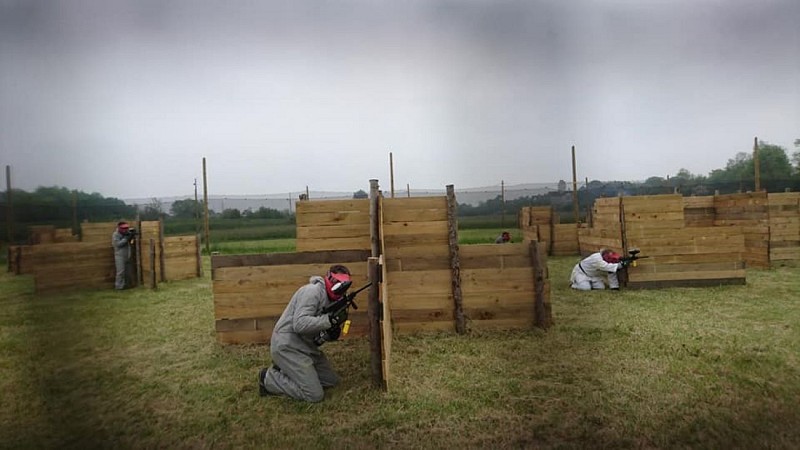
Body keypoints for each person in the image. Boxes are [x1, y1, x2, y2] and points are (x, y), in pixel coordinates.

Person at [258, 265, 353, 402]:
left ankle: (288, 370)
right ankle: (268, 379)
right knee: (314, 395)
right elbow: (300, 324)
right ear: (328, 278)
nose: (337, 287)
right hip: (287, 346)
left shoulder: (335, 301)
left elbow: (321, 331)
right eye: (335, 282)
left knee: (331, 381)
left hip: (307, 347)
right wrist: (328, 320)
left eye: (341, 285)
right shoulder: (312, 292)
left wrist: (333, 331)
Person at [112, 221, 134, 290]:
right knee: (120, 272)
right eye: (123, 228)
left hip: (128, 254)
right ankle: (119, 287)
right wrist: (126, 239)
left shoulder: (127, 233)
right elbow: (118, 244)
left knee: (128, 272)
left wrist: (131, 236)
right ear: (119, 228)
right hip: (119, 255)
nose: (125, 229)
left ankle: (128, 285)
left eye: (126, 228)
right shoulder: (115, 234)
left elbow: (131, 242)